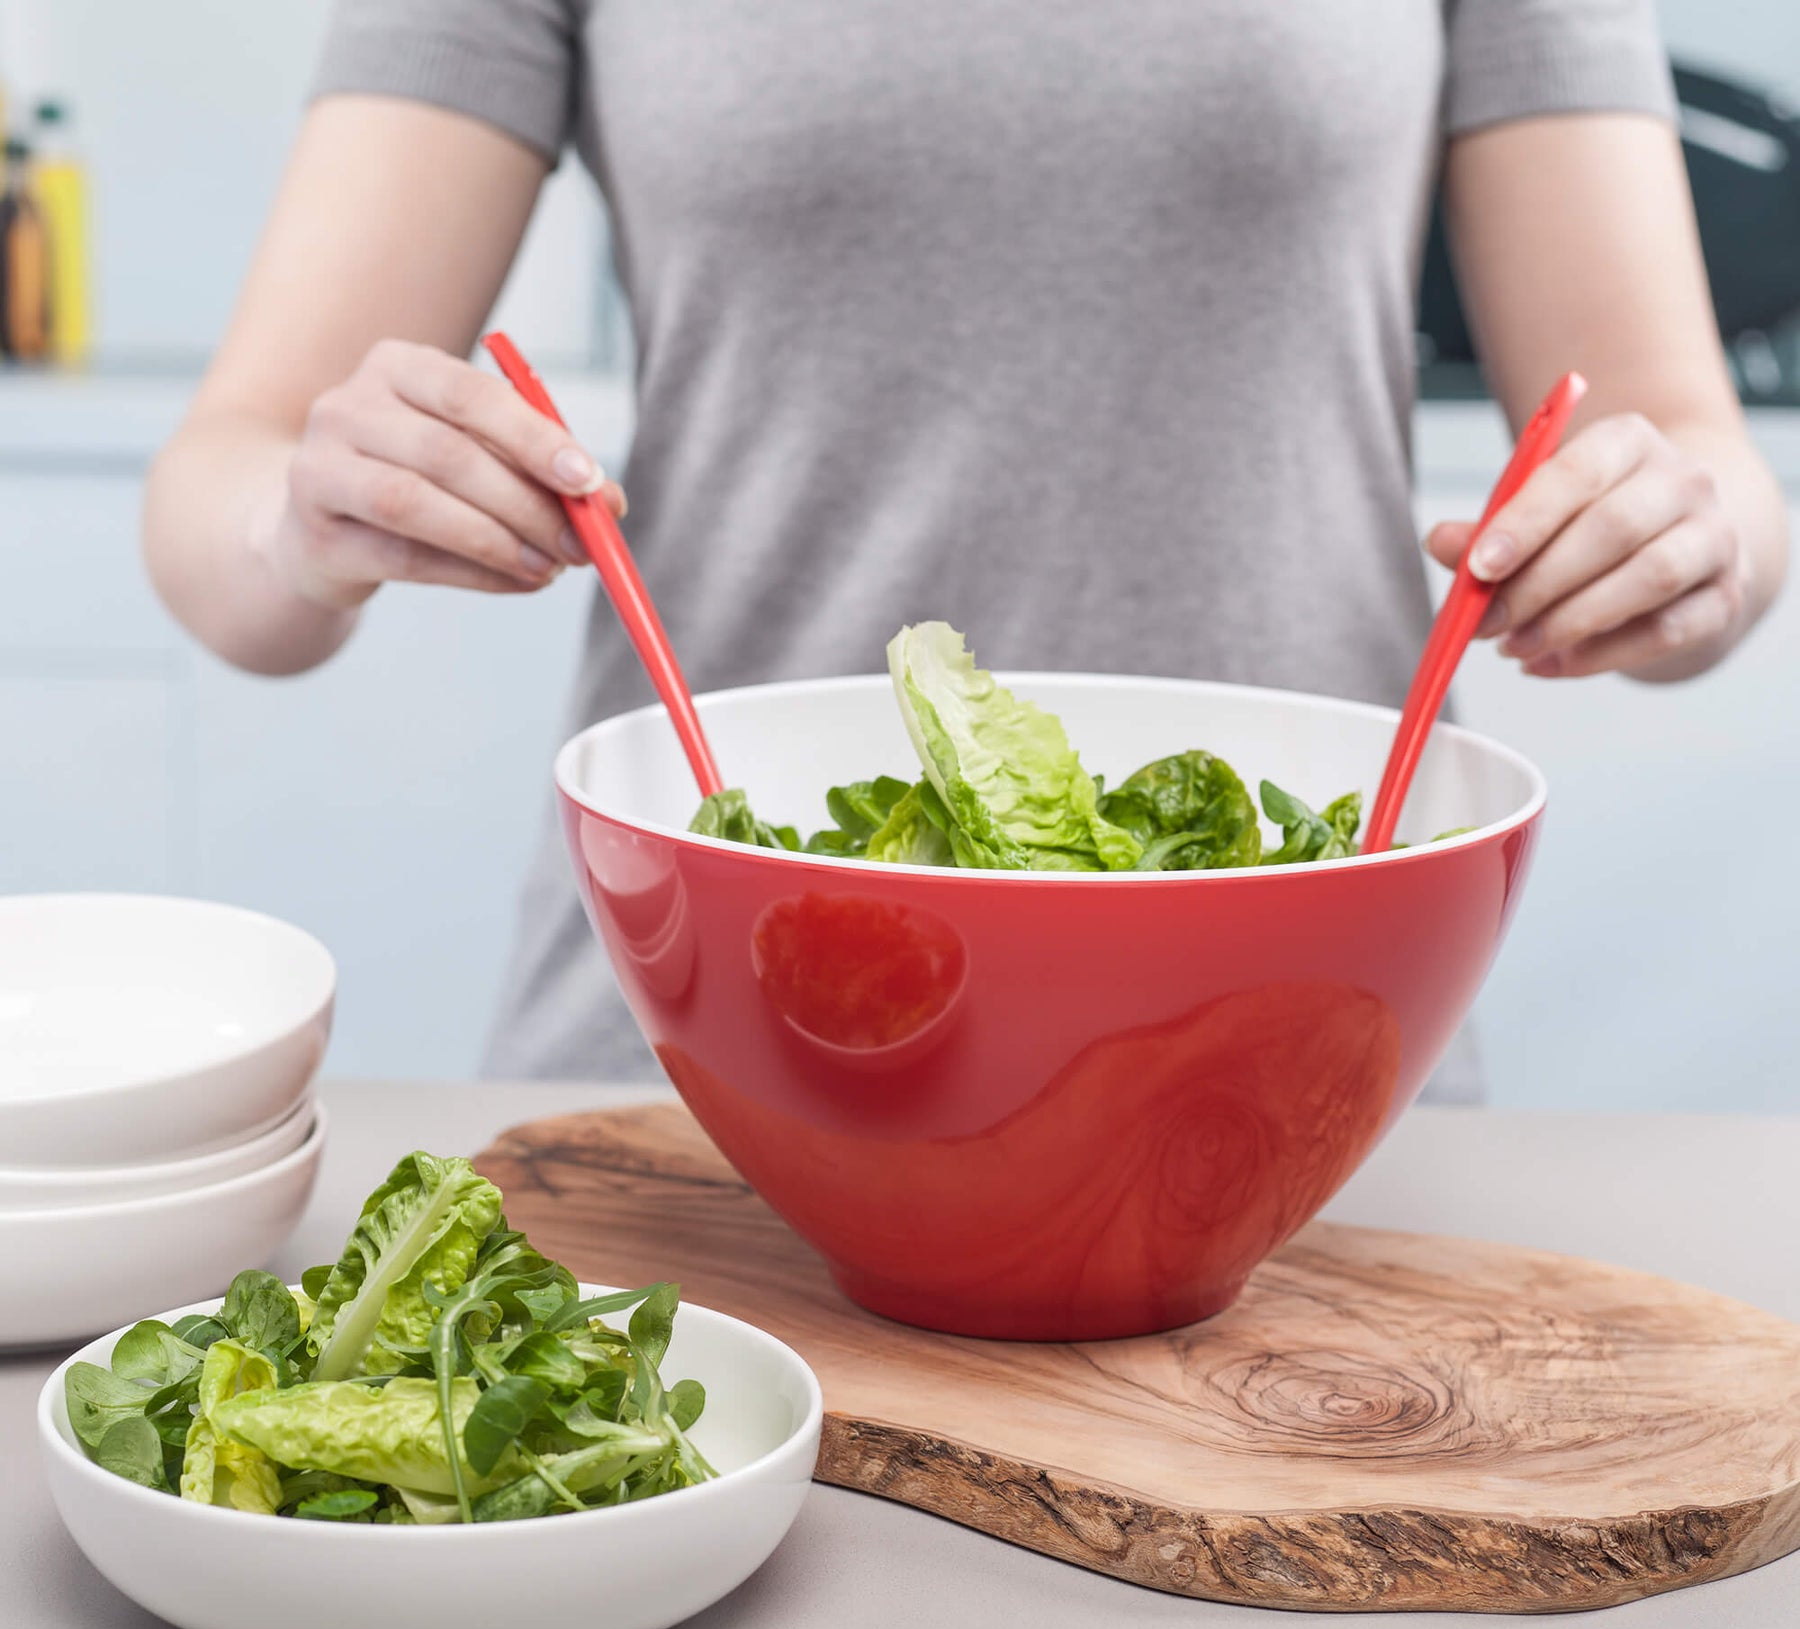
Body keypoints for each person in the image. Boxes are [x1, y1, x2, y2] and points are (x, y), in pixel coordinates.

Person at [144, 0, 1790, 1101]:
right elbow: (228, 498)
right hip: (714, 1064)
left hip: (1291, 1067)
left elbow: (1678, 436)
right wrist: (309, 516)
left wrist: (1688, 536)